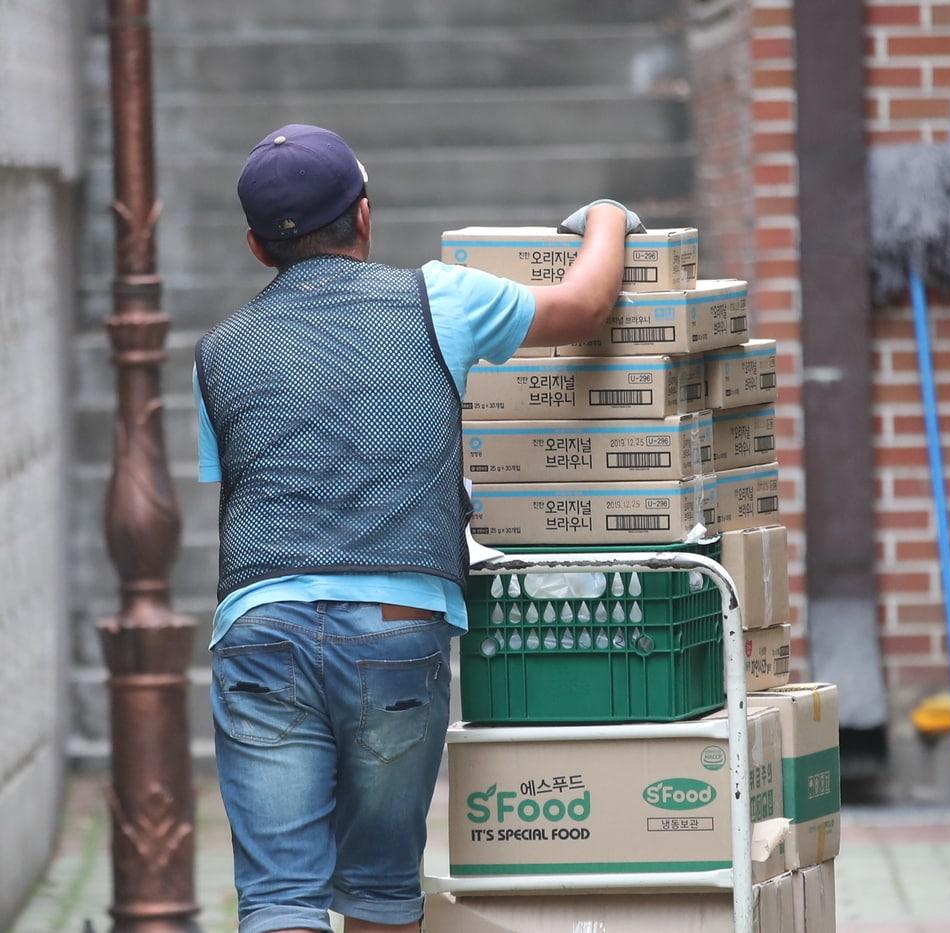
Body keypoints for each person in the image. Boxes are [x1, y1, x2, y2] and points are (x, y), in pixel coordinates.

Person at [194, 123, 640, 933]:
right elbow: (585, 305)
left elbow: (252, 484)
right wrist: (606, 216)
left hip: (260, 627)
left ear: (257, 248)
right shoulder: (440, 297)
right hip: (396, 627)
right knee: (379, 890)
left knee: (277, 900)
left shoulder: (218, 352)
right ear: (363, 216)